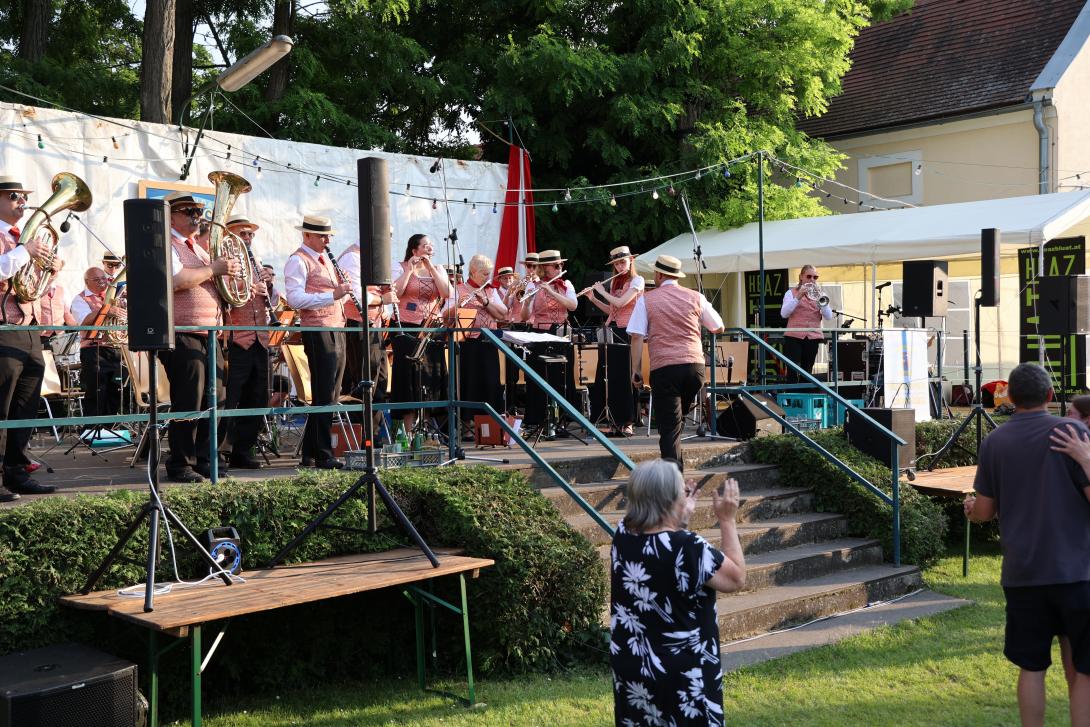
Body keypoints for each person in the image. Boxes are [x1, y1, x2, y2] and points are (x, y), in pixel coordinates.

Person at [965, 362, 1090, 727]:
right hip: (1077, 572)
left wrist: (972, 511)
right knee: (1083, 668)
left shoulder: (995, 441)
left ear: (1010, 397)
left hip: (1023, 573)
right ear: (1050, 396)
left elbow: (984, 512)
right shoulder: (1071, 431)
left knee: (1031, 666)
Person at [610, 459, 745, 726]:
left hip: (635, 666)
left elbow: (662, 546)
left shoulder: (622, 534)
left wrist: (678, 519)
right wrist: (727, 520)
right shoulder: (689, 547)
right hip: (683, 673)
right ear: (667, 500)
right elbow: (736, 578)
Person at [160, 192, 240, 483]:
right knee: (189, 400)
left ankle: (207, 459)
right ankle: (180, 463)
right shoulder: (166, 244)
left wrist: (229, 275)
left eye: (198, 211)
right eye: (188, 212)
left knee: (215, 399)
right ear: (171, 215)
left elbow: (215, 281)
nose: (197, 217)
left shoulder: (197, 248)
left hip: (210, 335)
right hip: (183, 334)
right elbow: (177, 281)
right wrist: (214, 269)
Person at [628, 255, 724, 469]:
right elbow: (718, 326)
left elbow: (636, 336)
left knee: (669, 427)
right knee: (676, 419)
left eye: (655, 273)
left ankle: (673, 486)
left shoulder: (647, 299)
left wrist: (635, 370)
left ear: (660, 275)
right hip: (694, 369)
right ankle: (675, 467)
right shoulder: (695, 296)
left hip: (665, 369)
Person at [0, 175, 55, 499]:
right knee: (2, 406)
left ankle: (16, 472)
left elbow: (29, 287)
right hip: (3, 330)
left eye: (23, 197)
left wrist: (51, 269)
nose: (22, 202)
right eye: (14, 196)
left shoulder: (23, 238)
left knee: (25, 405)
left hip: (28, 330)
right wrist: (26, 251)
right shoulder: (19, 242)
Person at [285, 214, 353, 468]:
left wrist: (343, 293)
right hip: (317, 330)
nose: (327, 240)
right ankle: (323, 453)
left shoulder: (326, 260)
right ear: (307, 235)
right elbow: (295, 299)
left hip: (337, 327)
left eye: (328, 236)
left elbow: (339, 298)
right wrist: (332, 294)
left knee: (332, 392)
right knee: (324, 391)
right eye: (322, 236)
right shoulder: (297, 260)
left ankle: (311, 453)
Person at [220, 215, 274, 469]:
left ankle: (244, 450)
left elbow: (272, 300)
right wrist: (247, 285)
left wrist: (269, 287)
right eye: (243, 233)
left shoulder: (256, 262)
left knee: (257, 397)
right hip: (236, 338)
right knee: (230, 397)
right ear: (230, 236)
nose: (249, 238)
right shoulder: (224, 262)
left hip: (260, 339)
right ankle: (221, 449)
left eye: (251, 234)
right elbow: (223, 293)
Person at [390, 233, 451, 434]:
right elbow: (396, 293)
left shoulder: (438, 268)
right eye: (425, 245)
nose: (430, 248)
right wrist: (410, 269)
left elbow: (446, 293)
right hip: (408, 327)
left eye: (431, 245)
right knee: (408, 379)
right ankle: (407, 432)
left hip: (431, 327)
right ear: (414, 249)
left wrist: (431, 267)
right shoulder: (401, 266)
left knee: (430, 377)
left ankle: (425, 431)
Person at [447, 254, 507, 432]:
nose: (487, 278)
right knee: (470, 382)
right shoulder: (459, 289)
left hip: (489, 341)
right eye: (484, 274)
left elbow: (502, 313)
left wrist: (486, 302)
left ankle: (491, 424)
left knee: (491, 382)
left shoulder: (491, 290)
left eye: (488, 274)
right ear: (473, 273)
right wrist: (458, 305)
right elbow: (445, 315)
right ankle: (468, 424)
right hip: (468, 342)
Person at [519, 249, 578, 431]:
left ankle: (562, 419)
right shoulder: (532, 285)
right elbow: (524, 316)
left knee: (562, 376)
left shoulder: (566, 284)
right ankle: (538, 419)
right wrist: (527, 302)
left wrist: (551, 291)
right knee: (539, 376)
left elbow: (573, 305)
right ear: (545, 268)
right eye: (556, 265)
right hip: (539, 333)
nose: (560, 267)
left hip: (561, 333)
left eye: (560, 264)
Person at [590, 246, 644, 436]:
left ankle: (628, 421)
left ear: (630, 261)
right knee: (610, 377)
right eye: (617, 264)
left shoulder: (637, 280)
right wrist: (594, 298)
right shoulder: (615, 285)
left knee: (625, 378)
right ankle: (613, 420)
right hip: (612, 329)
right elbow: (613, 310)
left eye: (623, 262)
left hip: (629, 332)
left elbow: (623, 303)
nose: (620, 266)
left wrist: (601, 290)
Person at [69, 267, 125, 419]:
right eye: (97, 280)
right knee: (96, 391)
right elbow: (84, 321)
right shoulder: (80, 299)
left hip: (116, 348)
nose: (102, 282)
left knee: (116, 391)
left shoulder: (115, 295)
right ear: (87, 282)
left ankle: (110, 428)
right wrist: (107, 310)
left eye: (104, 278)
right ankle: (92, 429)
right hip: (94, 350)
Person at [779, 265, 833, 383]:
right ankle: (791, 398)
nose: (812, 280)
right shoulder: (791, 293)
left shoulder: (820, 294)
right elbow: (784, 314)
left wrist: (821, 301)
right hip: (794, 336)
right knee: (792, 369)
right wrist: (798, 297)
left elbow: (829, 316)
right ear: (801, 277)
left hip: (813, 337)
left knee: (807, 370)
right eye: (809, 276)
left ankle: (804, 396)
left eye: (815, 277)